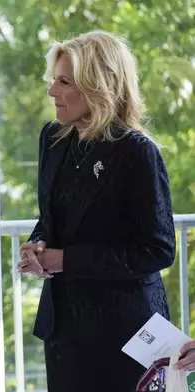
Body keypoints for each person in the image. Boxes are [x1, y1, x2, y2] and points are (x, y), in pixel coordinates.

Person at [17, 30, 176, 392]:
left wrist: (66, 260)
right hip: (64, 329)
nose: (51, 91)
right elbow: (53, 216)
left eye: (63, 82)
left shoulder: (136, 152)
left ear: (98, 86)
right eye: (52, 80)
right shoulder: (53, 139)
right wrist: (37, 245)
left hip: (127, 334)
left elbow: (158, 249)